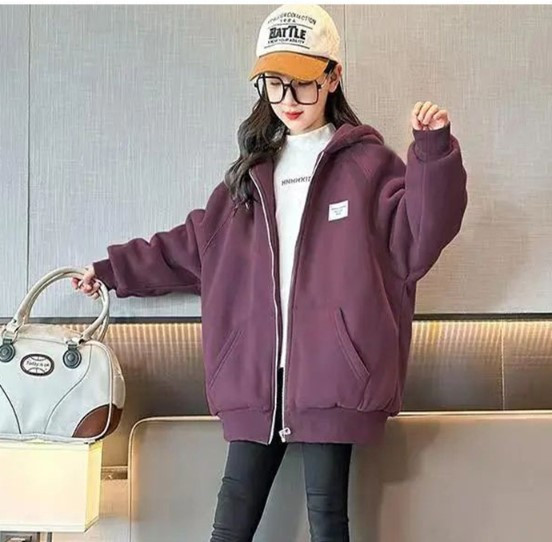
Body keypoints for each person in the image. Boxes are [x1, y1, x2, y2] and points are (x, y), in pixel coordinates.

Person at [73, 4, 468, 541]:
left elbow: (422, 235)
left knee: (328, 522)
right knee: (229, 525)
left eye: (302, 82)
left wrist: (432, 151)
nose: (288, 99)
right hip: (255, 381)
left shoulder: (369, 168)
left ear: (333, 77)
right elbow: (189, 246)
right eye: (274, 84)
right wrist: (109, 270)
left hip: (333, 377)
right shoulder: (250, 177)